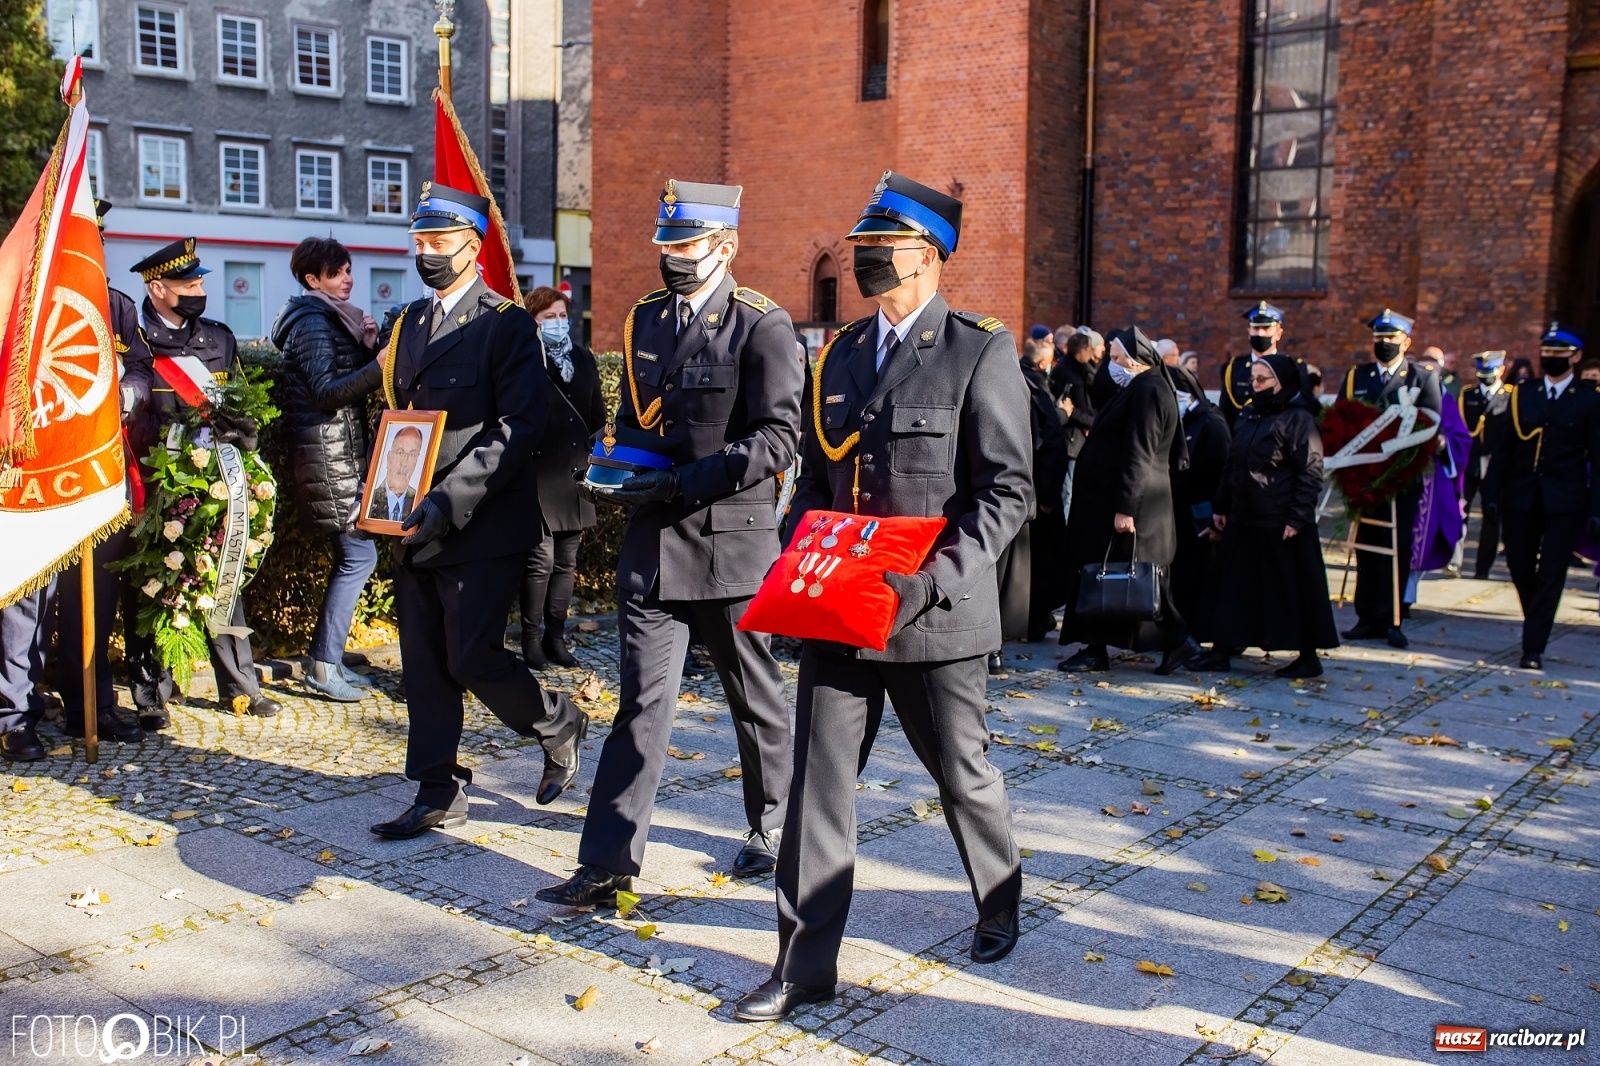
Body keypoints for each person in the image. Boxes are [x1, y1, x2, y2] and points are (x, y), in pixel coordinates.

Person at [734, 172, 1031, 1024]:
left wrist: (932, 582)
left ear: (929, 255)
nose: (865, 260)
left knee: (960, 774)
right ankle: (802, 966)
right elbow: (820, 481)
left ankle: (999, 892)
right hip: (842, 615)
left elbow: (1006, 493)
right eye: (861, 247)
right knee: (817, 791)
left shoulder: (980, 351)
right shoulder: (842, 354)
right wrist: (795, 559)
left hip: (934, 613)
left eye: (882, 247)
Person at [536, 179, 803, 905]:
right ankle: (608, 862)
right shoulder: (647, 320)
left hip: (730, 546)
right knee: (641, 705)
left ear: (725, 246)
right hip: (654, 546)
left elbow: (779, 440)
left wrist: (680, 483)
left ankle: (775, 824)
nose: (672, 258)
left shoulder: (763, 325)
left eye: (685, 246)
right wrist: (610, 464)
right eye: (667, 245)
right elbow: (637, 422)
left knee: (755, 699)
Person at [364, 182, 588, 839]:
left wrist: (448, 500)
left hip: (481, 522)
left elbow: (518, 427)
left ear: (472, 245)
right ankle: (437, 788)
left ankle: (555, 720)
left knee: (470, 657)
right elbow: (400, 421)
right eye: (419, 242)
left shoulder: (506, 323)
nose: (425, 252)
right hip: (414, 520)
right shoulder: (408, 324)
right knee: (426, 664)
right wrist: (382, 493)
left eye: (438, 242)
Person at [134, 238, 281, 722]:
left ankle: (239, 686)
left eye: (200, 282)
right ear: (158, 288)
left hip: (217, 481)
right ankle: (153, 695)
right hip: (158, 484)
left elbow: (240, 404)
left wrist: (244, 435)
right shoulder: (135, 340)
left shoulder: (217, 339)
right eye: (189, 283)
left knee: (224, 578)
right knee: (158, 586)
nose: (199, 290)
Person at [50, 199, 151, 743]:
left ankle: (93, 706)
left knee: (100, 593)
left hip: (107, 470)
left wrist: (127, 392)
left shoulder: (114, 304)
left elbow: (138, 365)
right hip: (49, 473)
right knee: (46, 604)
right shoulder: (35, 296)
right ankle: (38, 708)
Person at [271, 236, 383, 703]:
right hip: (327, 456)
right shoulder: (315, 321)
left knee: (357, 556)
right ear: (312, 279)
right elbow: (326, 390)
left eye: (349, 269)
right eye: (337, 273)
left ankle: (328, 660)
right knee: (358, 556)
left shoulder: (332, 318)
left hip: (338, 454)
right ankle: (322, 665)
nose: (348, 279)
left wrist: (366, 346)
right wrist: (378, 365)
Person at [1059, 327, 1196, 674]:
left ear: (1138, 360)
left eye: (1119, 359)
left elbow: (1140, 452)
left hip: (1132, 505)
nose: (1113, 365)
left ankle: (1176, 642)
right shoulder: (1139, 387)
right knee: (1112, 575)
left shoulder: (1149, 390)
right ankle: (1097, 646)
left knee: (1134, 577)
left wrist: (1125, 507)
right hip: (1114, 502)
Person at [1192, 356, 1338, 677]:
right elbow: (1233, 462)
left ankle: (1307, 655)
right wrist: (1221, 506)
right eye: (1253, 380)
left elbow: (1310, 471)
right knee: (1231, 587)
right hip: (1244, 515)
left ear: (1282, 384)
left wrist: (1297, 517)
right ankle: (1221, 648)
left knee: (1292, 587)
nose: (1254, 386)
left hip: (1280, 519)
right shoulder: (1248, 413)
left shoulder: (1298, 419)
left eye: (1262, 381)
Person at [1483, 323, 1600, 670]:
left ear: (1575, 358)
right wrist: (1491, 494)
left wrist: (1597, 508)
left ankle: (1532, 646)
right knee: (1519, 565)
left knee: (1552, 572)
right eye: (1546, 353)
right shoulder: (1523, 393)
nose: (1550, 358)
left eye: (1558, 354)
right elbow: (1503, 450)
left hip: (1565, 500)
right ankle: (1536, 619)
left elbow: (1598, 457)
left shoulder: (1591, 399)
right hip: (1522, 497)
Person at [1338, 309, 1442, 649]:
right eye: (1379, 338)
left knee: (1396, 548)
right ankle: (1365, 616)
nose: (1384, 343)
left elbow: (1430, 425)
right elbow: (1340, 419)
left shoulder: (1421, 378)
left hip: (1401, 478)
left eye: (1391, 338)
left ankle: (1392, 618)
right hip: (1365, 476)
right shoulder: (1358, 376)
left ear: (1406, 341)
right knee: (1366, 547)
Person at [520, 285, 605, 668]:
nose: (557, 323)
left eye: (561, 316)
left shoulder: (584, 360)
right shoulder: (526, 361)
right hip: (538, 475)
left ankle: (557, 636)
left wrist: (599, 456)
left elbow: (599, 416)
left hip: (575, 474)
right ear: (534, 323)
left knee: (566, 563)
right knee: (540, 561)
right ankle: (531, 638)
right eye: (547, 317)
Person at [1167, 365, 1230, 649]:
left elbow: (1221, 472)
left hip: (1200, 514)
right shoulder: (1182, 420)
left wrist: (1217, 513)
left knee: (1197, 578)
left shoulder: (1210, 423)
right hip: (1180, 511)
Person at [1017, 336, 1070, 643]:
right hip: (1038, 491)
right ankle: (1038, 618)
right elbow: (1052, 443)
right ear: (1042, 363)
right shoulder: (1036, 388)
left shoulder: (1022, 381)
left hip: (1028, 488)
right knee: (1042, 561)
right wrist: (1049, 496)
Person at [1460, 351, 1510, 579]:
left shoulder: (1510, 396)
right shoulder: (1467, 394)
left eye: (1490, 371)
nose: (1485, 376)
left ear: (1501, 370)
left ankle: (1483, 569)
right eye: (1481, 372)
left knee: (1492, 517)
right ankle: (1455, 561)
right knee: (1460, 511)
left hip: (1496, 464)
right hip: (1470, 462)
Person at [1051, 329, 1100, 522]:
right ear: (1082, 350)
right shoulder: (1065, 371)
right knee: (1067, 490)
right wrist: (1089, 421)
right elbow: (1068, 407)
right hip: (1071, 437)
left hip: (1082, 436)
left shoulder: (1086, 369)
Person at [367, 428, 422, 521]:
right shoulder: (370, 501)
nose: (404, 463)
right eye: (400, 452)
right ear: (389, 457)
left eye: (412, 455)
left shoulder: (421, 503)